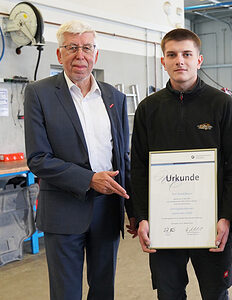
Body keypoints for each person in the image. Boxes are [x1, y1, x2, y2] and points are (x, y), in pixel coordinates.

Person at [130, 28, 232, 299]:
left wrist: (227, 217)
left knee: (216, 293)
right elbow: (138, 168)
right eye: (172, 54)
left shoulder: (222, 104)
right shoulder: (148, 109)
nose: (179, 60)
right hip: (164, 226)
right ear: (163, 61)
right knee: (169, 294)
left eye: (186, 54)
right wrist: (143, 216)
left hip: (211, 225)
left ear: (199, 60)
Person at [24, 20, 136, 300]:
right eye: (72, 47)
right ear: (60, 54)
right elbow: (37, 158)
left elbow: (122, 156)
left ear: (95, 54)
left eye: (86, 47)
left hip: (108, 210)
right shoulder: (39, 94)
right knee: (66, 294)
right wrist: (88, 179)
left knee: (103, 291)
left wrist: (134, 209)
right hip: (63, 211)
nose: (80, 55)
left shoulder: (115, 97)